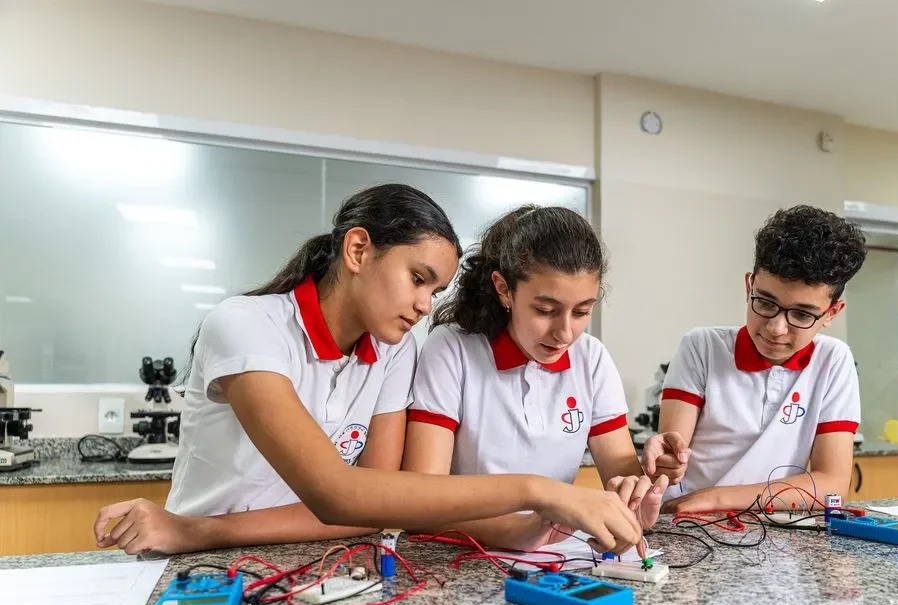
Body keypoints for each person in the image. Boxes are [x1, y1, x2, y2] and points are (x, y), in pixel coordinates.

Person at [93, 185, 641, 555]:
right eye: (418, 279)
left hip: (318, 561)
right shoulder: (245, 326)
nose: (425, 305)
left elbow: (376, 502)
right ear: (358, 250)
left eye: (436, 291)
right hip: (201, 559)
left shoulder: (394, 352)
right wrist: (541, 491)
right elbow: (338, 494)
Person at [402, 205, 666, 551]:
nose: (565, 333)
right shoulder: (452, 349)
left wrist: (638, 499)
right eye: (545, 310)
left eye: (582, 311)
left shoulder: (591, 359)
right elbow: (418, 503)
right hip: (463, 556)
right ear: (504, 289)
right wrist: (514, 530)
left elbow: (622, 474)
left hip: (554, 554)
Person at [644, 205, 867, 514]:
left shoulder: (833, 361)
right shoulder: (702, 347)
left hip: (763, 525)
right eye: (764, 302)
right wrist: (666, 462)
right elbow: (672, 456)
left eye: (802, 315)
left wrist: (715, 498)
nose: (776, 328)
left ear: (831, 313)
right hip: (688, 522)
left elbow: (832, 484)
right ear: (749, 286)